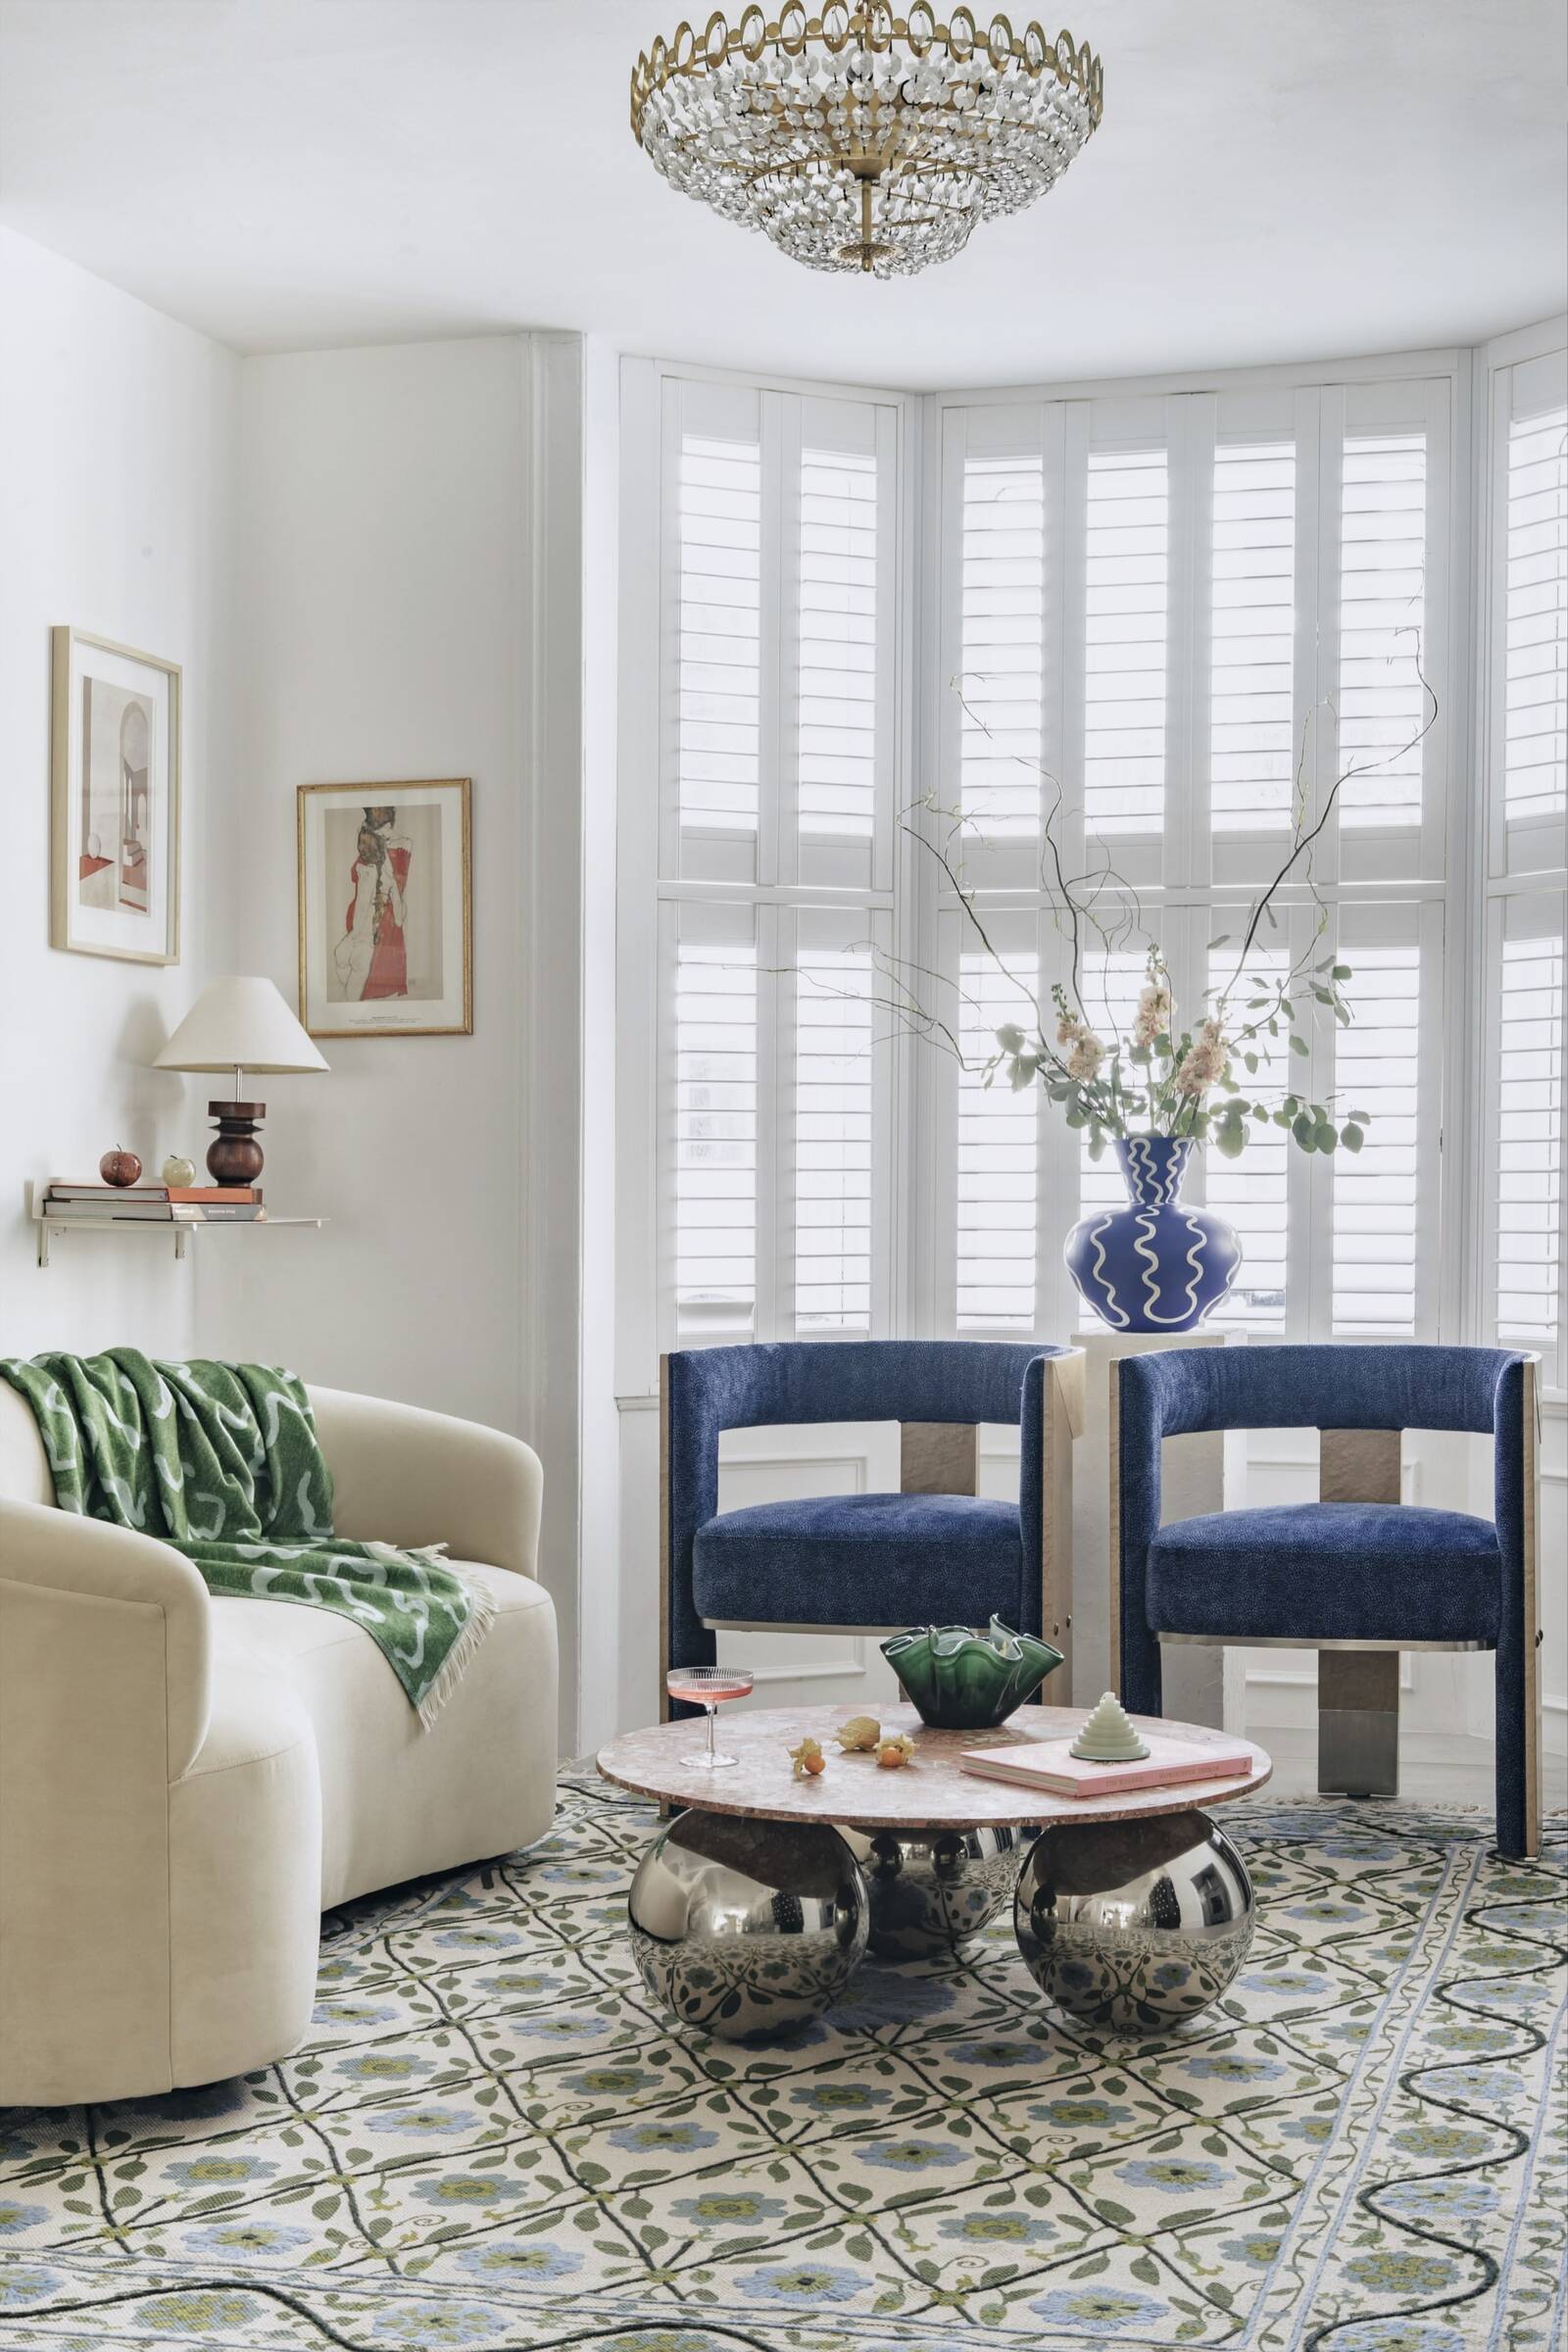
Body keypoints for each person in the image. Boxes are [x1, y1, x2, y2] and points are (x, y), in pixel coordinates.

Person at [332, 820, 405, 1003]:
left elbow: (397, 901)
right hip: (355, 932)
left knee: (359, 966)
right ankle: (349, 991)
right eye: (360, 842)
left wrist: (398, 918)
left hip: (369, 940)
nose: (361, 847)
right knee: (340, 954)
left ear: (378, 847)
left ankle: (352, 1001)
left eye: (366, 843)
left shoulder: (386, 877)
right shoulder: (361, 868)